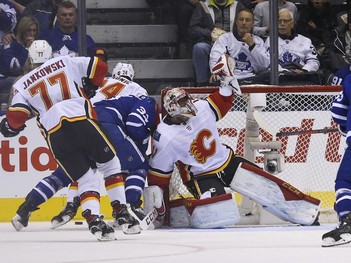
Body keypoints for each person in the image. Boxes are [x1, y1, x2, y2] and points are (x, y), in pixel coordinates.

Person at [144, 54, 321, 229]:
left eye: (188, 101)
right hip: (201, 176)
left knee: (266, 187)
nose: (191, 107)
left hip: (228, 162)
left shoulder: (200, 107)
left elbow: (223, 100)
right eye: (184, 106)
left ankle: (306, 213)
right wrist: (160, 206)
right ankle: (178, 214)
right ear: (173, 111)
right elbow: (158, 177)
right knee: (219, 213)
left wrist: (227, 81)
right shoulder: (165, 138)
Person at [0, 40, 133, 241]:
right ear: (50, 54)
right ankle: (122, 213)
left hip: (55, 134)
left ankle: (95, 221)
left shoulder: (21, 84)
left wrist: (9, 126)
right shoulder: (64, 61)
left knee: (86, 177)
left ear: (30, 59)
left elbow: (16, 117)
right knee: (110, 163)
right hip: (80, 118)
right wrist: (91, 85)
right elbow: (100, 67)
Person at [51, 63, 156, 230]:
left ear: (113, 73)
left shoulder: (103, 82)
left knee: (85, 168)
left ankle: (70, 205)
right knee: (137, 165)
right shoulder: (137, 89)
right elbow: (136, 121)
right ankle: (130, 206)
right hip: (112, 126)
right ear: (132, 75)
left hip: (86, 124)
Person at [322, 66, 351, 247]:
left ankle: (347, 222)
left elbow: (338, 111)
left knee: (345, 182)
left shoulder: (348, 79)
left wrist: (344, 127)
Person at [188, 0, 245, 86]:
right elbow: (193, 28)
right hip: (211, 44)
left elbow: (244, 25)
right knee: (199, 48)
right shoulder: (203, 6)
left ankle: (241, 82)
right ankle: (202, 84)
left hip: (233, 45)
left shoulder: (237, 5)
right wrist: (210, 33)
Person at [209, 8, 270, 84]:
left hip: (253, 80)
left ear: (252, 24)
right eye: (241, 19)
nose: (244, 23)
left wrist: (252, 46)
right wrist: (216, 73)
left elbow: (264, 66)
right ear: (236, 22)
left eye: (247, 20)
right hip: (229, 81)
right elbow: (215, 59)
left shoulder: (258, 41)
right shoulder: (225, 39)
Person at [264, 8, 321, 84]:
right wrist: (286, 72)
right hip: (279, 78)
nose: (282, 24)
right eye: (279, 21)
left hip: (302, 78)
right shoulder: (270, 40)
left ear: (292, 24)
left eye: (285, 21)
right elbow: (267, 62)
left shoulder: (305, 41)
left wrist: (304, 70)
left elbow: (314, 61)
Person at [0, 16, 40, 108]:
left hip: (22, 79)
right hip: (4, 80)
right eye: (29, 30)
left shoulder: (38, 45)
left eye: (34, 31)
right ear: (23, 31)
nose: (31, 33)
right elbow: (16, 66)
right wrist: (28, 49)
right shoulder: (10, 44)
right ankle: (12, 108)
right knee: (22, 80)